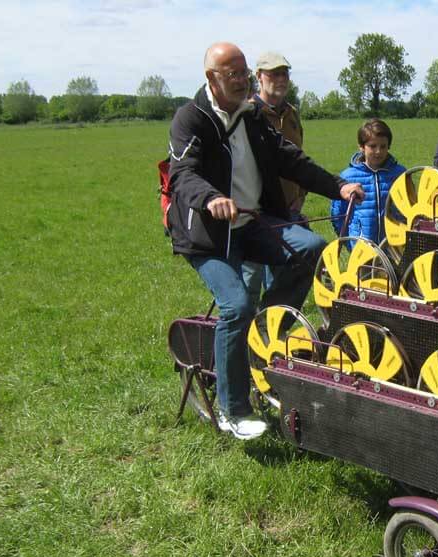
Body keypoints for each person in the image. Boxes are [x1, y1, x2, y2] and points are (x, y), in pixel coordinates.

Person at [167, 42, 364, 440]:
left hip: (252, 222)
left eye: (244, 72)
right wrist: (211, 199)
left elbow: (289, 158)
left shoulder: (253, 115)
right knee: (236, 305)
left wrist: (338, 186)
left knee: (310, 249)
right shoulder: (190, 119)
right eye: (233, 74)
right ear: (211, 78)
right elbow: (182, 175)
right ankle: (232, 410)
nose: (242, 81)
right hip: (208, 235)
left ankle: (266, 331)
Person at [241, 51, 306, 309]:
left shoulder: (292, 114)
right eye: (274, 74)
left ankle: (271, 336)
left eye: (284, 74)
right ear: (259, 77)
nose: (280, 79)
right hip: (254, 214)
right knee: (248, 283)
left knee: (284, 280)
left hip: (289, 211)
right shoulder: (247, 113)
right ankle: (244, 340)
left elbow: (300, 159)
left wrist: (300, 196)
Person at [330, 119, 407, 243]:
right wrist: (349, 242)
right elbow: (338, 215)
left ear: (389, 146)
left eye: (383, 146)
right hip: (361, 247)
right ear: (361, 147)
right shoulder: (348, 177)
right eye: (372, 146)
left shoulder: (400, 174)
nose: (378, 151)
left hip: (393, 245)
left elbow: (409, 210)